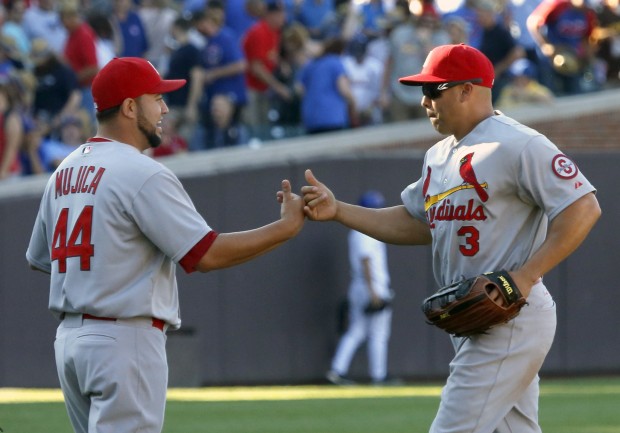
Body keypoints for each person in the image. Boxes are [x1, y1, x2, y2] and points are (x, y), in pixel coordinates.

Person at [301, 43, 601, 433]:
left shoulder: (518, 143)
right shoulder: (438, 155)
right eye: (422, 90)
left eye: (434, 90)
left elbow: (584, 207)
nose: (424, 100)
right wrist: (339, 210)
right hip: (474, 317)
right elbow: (417, 222)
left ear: (467, 89)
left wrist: (524, 277)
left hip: (511, 314)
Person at [25, 56, 305, 433]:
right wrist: (285, 227)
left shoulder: (65, 169)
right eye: (156, 98)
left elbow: (40, 259)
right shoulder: (142, 171)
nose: (164, 108)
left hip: (71, 341)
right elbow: (205, 254)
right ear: (128, 107)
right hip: (123, 339)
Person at [326, 190, 395, 386]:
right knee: (377, 332)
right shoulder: (365, 230)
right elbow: (365, 260)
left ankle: (338, 370)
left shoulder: (361, 230)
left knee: (358, 330)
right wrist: (373, 291)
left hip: (363, 285)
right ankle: (378, 375)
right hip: (371, 286)